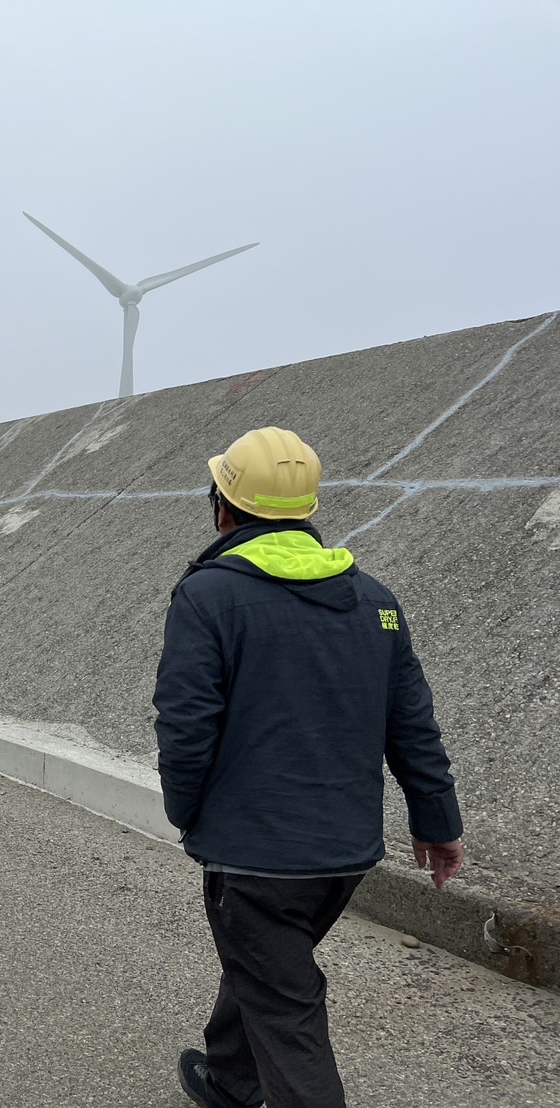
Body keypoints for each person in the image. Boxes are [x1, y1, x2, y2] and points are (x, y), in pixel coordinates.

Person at [153, 426, 464, 1108]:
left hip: (254, 855)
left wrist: (187, 814)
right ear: (306, 509)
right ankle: (231, 1082)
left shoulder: (207, 597)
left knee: (284, 1003)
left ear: (223, 508)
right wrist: (437, 822)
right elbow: (410, 723)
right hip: (343, 853)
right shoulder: (376, 601)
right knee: (269, 965)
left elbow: (184, 725)